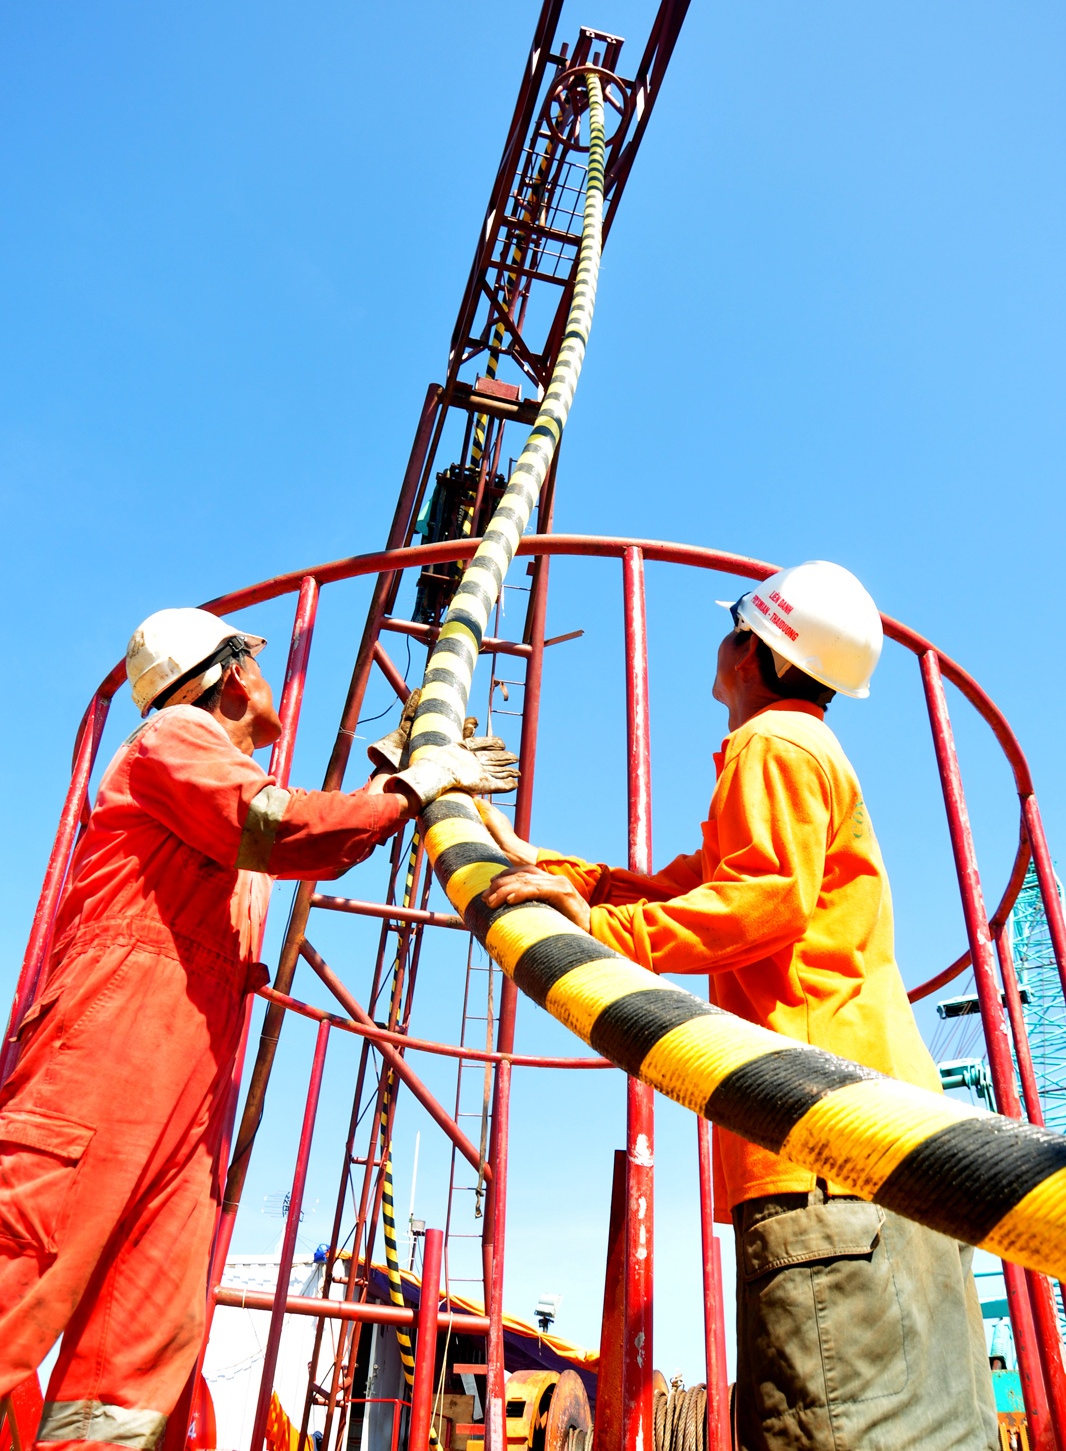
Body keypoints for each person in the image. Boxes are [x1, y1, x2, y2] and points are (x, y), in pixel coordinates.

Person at [477, 561, 998, 1451]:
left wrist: (604, 929)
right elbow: (682, 886)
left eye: (731, 630)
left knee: (829, 1427)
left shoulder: (773, 747)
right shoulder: (803, 754)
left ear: (754, 652)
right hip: (889, 1146)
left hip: (820, 1146)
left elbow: (762, 900)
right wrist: (534, 860)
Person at [0, 607, 515, 1449]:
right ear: (234, 673)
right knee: (19, 1277)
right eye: (257, 665)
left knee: (139, 1343)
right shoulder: (174, 736)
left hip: (189, 1088)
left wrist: (391, 774)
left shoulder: (206, 768)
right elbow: (277, 824)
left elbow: (277, 820)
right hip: (103, 1055)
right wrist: (414, 785)